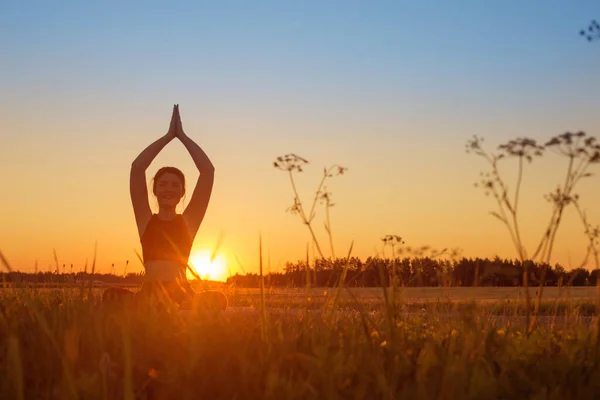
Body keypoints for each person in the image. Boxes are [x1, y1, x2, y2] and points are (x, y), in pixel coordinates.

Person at [103, 105, 227, 311]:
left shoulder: (188, 222)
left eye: (175, 185)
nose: (168, 189)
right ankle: (156, 307)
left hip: (182, 292)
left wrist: (183, 137)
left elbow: (207, 171)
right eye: (162, 184)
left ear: (182, 192)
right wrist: (168, 136)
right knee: (109, 296)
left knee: (219, 299)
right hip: (150, 292)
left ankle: (175, 307)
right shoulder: (146, 220)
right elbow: (137, 168)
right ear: (155, 190)